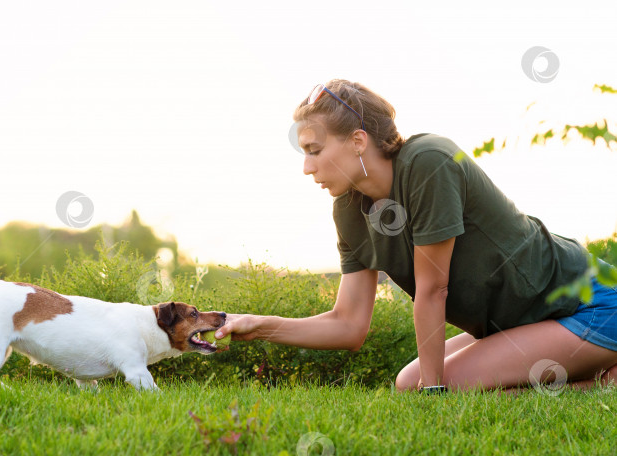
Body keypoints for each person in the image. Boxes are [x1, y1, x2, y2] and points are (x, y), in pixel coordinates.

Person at [214, 79, 617, 394]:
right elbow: (348, 324)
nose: (306, 167)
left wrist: (435, 392)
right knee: (408, 383)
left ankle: (601, 380)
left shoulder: (429, 163)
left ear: (357, 140)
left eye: (314, 150)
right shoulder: (349, 211)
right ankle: (595, 379)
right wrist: (258, 324)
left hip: (588, 307)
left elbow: (433, 289)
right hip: (520, 326)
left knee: (436, 385)